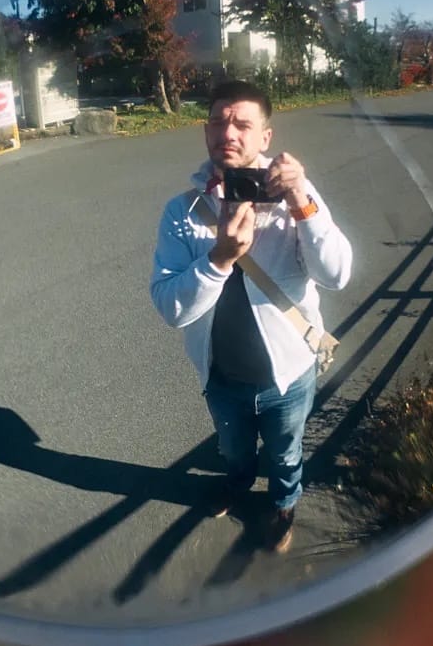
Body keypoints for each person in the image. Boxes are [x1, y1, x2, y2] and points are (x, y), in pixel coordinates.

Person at [150, 80, 352, 553]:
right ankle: (237, 485)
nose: (229, 132)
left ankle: (283, 503)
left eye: (243, 123)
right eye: (219, 121)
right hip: (220, 374)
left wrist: (301, 200)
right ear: (206, 132)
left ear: (266, 137)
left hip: (289, 374)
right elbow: (170, 308)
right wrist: (219, 259)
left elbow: (337, 273)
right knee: (233, 450)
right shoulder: (182, 211)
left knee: (285, 453)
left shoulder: (295, 198)